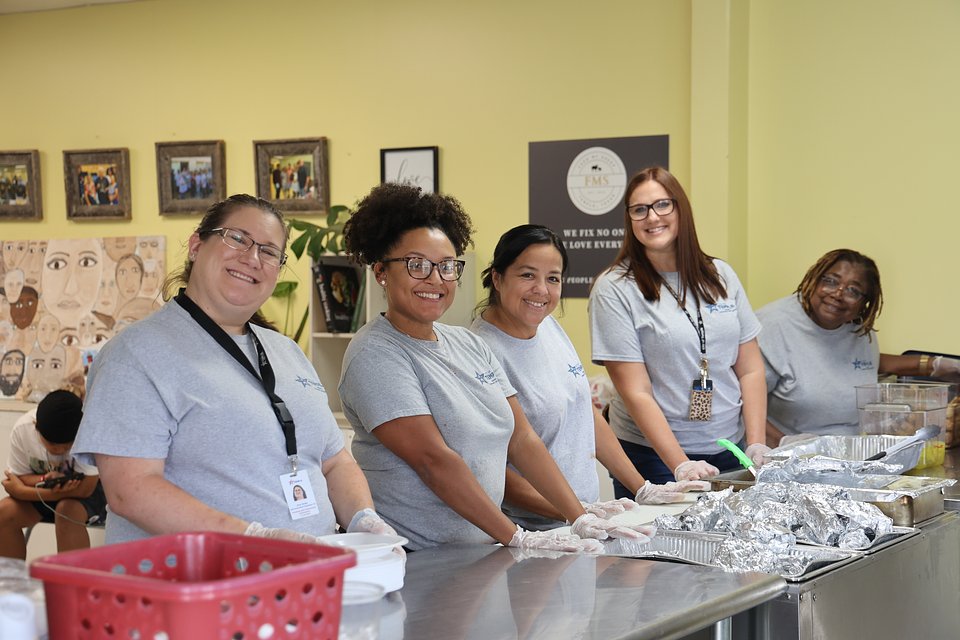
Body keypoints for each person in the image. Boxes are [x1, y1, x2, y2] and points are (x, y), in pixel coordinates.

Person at [338, 184, 651, 552]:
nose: (435, 279)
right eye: (417, 265)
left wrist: (579, 515)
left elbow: (523, 440)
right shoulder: (375, 353)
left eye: (446, 266)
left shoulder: (468, 345)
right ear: (380, 272)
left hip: (479, 551)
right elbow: (433, 461)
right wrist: (516, 537)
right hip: (419, 556)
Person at [71, 194, 394, 546]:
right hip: (195, 586)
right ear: (196, 245)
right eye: (238, 238)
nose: (252, 258)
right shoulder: (135, 354)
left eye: (269, 251)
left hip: (304, 578)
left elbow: (334, 461)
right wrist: (252, 538)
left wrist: (364, 520)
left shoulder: (286, 352)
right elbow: (130, 491)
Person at [471, 224, 709, 530]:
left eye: (553, 278)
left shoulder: (548, 328)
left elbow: (586, 416)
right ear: (497, 277)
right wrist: (575, 512)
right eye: (527, 275)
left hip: (583, 521)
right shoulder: (480, 352)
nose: (541, 290)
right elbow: (497, 471)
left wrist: (643, 488)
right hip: (530, 530)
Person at [589, 166, 769, 491]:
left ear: (680, 208)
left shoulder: (721, 275)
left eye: (662, 204)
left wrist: (755, 443)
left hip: (731, 447)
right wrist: (679, 463)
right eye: (639, 210)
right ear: (629, 220)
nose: (652, 217)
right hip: (653, 456)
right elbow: (635, 391)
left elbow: (751, 369)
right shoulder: (614, 287)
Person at [757, 248, 960, 442]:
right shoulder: (772, 325)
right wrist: (784, 444)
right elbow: (742, 404)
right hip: (787, 455)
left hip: (853, 451)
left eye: (853, 290)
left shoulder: (859, 329)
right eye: (830, 281)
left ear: (865, 303)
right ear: (813, 280)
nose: (838, 293)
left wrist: (937, 365)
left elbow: (858, 364)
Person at [0, 388, 107, 559]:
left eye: (67, 446)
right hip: (51, 489)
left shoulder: (89, 432)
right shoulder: (23, 429)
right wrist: (44, 480)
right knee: (4, 512)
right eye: (50, 444)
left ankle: (73, 584)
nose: (59, 450)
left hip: (90, 493)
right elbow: (18, 478)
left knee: (66, 510)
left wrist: (22, 491)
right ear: (36, 427)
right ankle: (14, 582)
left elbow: (86, 489)